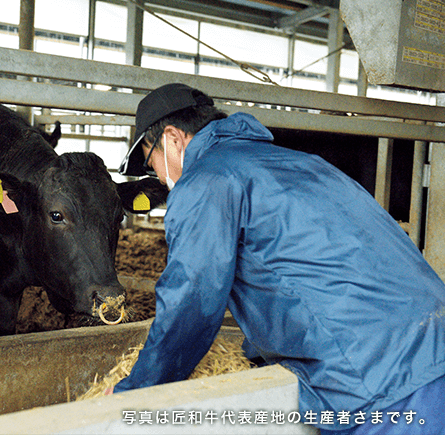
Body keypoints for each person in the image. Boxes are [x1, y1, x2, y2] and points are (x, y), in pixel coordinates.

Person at [115, 83, 445, 434]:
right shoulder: (303, 163)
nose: (160, 179)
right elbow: (305, 269)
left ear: (173, 138)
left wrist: (133, 394)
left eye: (152, 162)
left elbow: (192, 298)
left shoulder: (206, 180)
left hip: (380, 380)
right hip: (432, 342)